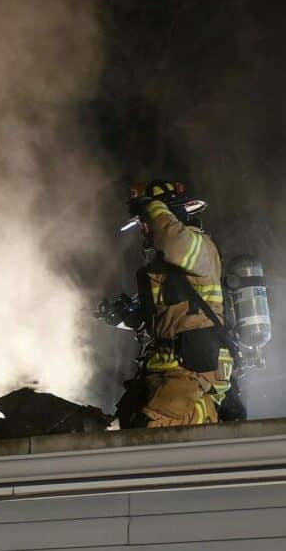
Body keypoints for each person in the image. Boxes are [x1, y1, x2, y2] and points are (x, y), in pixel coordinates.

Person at [113, 180, 233, 428]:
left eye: (148, 223)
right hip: (162, 375)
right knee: (124, 422)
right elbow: (166, 319)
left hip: (189, 375)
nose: (145, 230)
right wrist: (127, 316)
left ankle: (203, 413)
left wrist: (153, 207)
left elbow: (172, 241)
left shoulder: (199, 247)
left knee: (149, 430)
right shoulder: (168, 268)